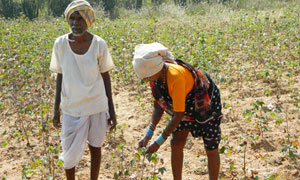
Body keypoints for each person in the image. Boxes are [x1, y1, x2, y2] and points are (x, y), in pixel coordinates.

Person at [133, 43, 222, 180]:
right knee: (176, 143)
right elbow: (158, 105)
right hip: (183, 102)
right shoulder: (156, 77)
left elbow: (179, 114)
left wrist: (158, 142)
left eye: (146, 76)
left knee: (210, 145)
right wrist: (148, 134)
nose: (145, 80)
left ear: (154, 70)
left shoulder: (175, 77)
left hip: (203, 100)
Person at [49, 1, 117, 180]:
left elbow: (105, 77)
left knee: (96, 148)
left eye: (80, 19)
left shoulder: (99, 44)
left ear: (88, 21)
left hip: (96, 105)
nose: (75, 23)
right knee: (69, 155)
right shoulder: (60, 44)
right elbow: (59, 75)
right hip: (72, 108)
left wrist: (112, 110)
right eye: (72, 18)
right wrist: (56, 109)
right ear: (68, 20)